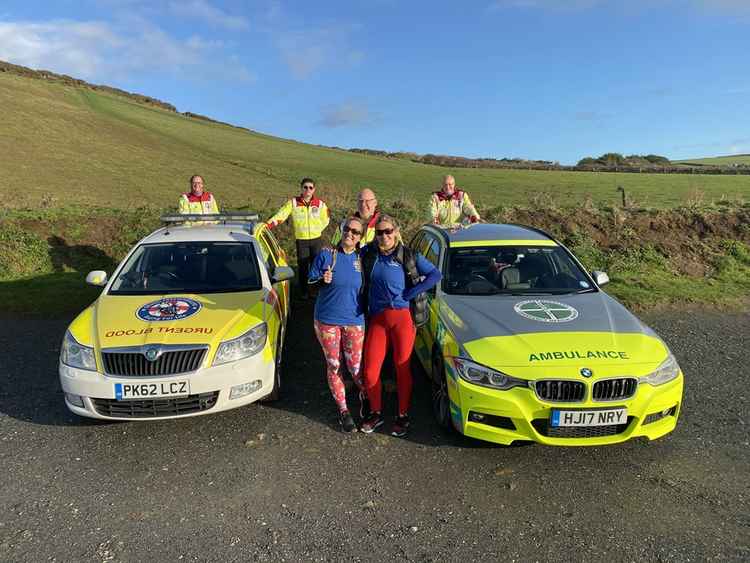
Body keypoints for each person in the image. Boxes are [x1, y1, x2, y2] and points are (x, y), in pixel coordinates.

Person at [359, 214, 442, 437]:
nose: (384, 236)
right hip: (377, 319)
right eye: (379, 232)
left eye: (388, 231)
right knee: (369, 371)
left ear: (396, 231)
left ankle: (402, 415)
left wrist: (411, 292)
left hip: (403, 319)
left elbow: (435, 274)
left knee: (401, 367)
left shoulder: (408, 256)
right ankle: (375, 412)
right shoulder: (368, 253)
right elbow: (347, 256)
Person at [308, 216, 367, 433]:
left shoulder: (363, 258)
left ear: (361, 237)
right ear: (341, 230)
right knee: (334, 365)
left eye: (355, 232)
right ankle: (343, 410)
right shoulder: (327, 255)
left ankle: (365, 398)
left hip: (354, 321)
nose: (350, 234)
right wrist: (321, 280)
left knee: (356, 367)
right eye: (347, 229)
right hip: (327, 320)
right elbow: (309, 286)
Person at [266, 178, 330, 299]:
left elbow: (326, 219)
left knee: (316, 266)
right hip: (302, 241)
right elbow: (281, 215)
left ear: (314, 189)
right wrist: (268, 224)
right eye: (305, 187)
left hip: (316, 239)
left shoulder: (320, 204)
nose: (308, 190)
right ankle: (304, 291)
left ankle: (315, 291)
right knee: (303, 266)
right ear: (301, 188)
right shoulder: (293, 203)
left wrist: (318, 229)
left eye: (310, 187)